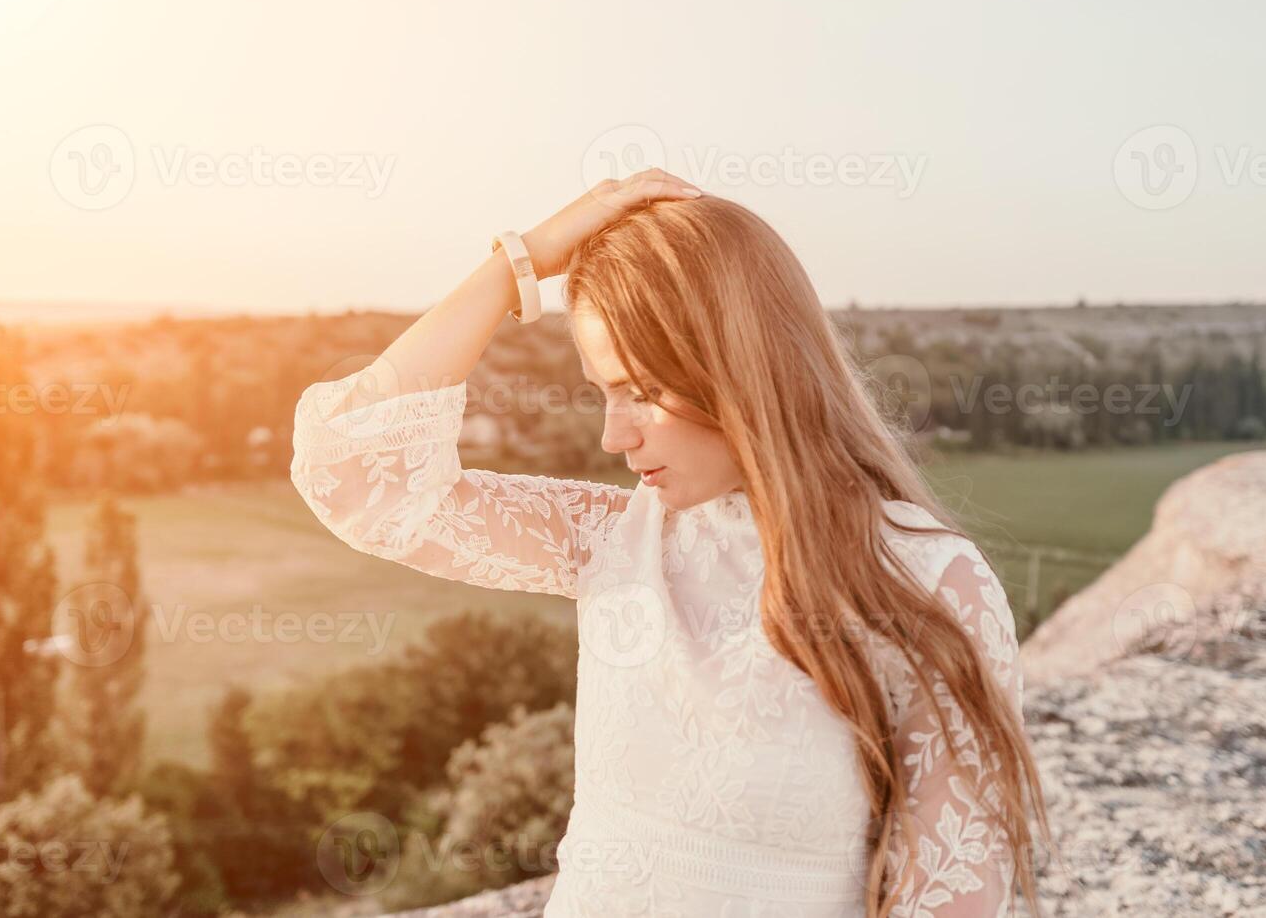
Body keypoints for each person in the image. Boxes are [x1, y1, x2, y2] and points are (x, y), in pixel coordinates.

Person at [288, 169, 1053, 917]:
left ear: (741, 369)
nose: (613, 436)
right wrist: (518, 262)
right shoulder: (613, 539)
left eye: (642, 392)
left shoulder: (929, 581)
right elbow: (354, 476)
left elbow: (952, 891)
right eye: (601, 392)